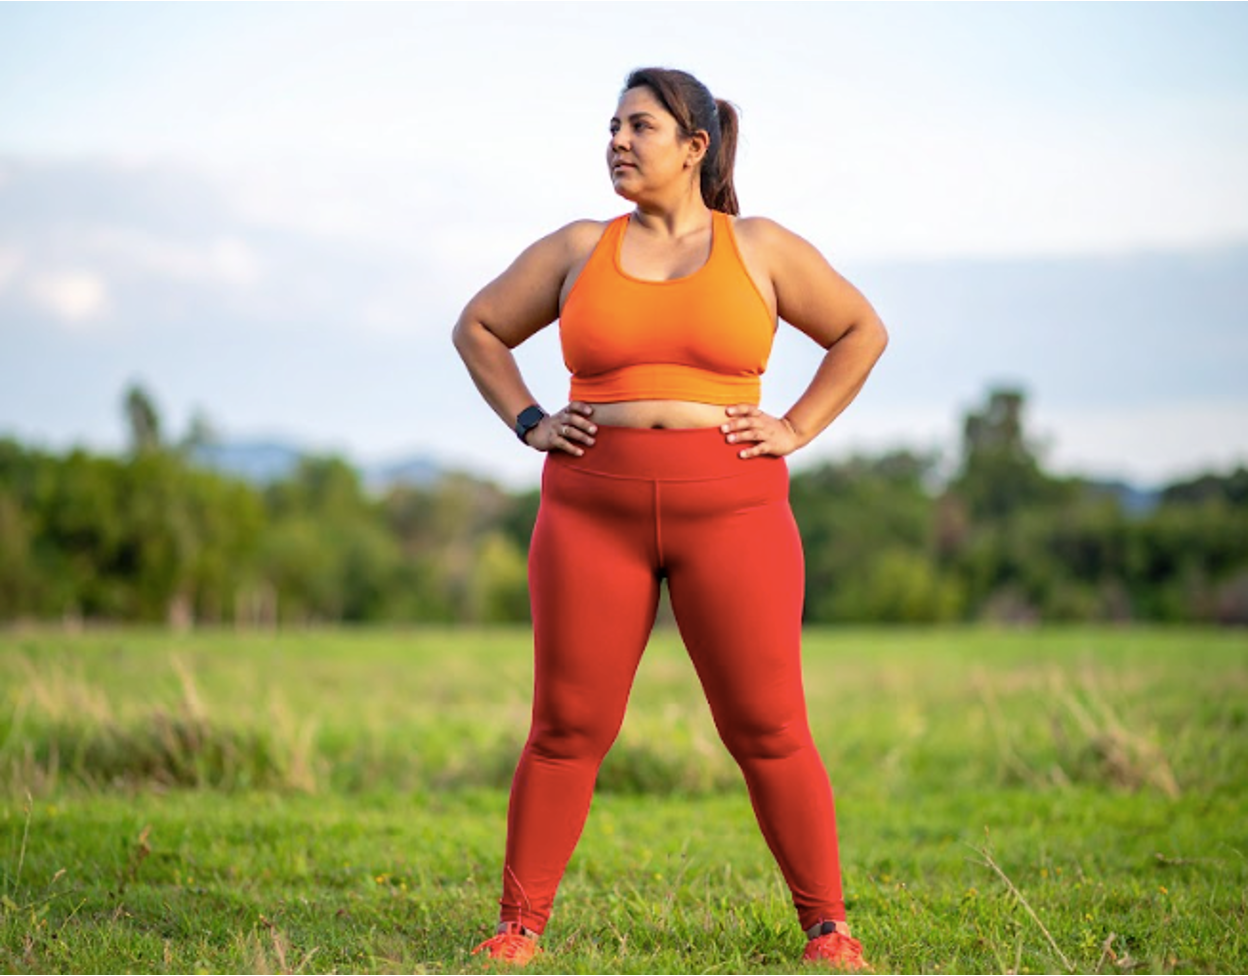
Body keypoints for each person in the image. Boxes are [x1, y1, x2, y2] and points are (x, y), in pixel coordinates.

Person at [451, 66, 888, 970]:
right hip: (587, 515)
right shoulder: (578, 246)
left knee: (768, 727)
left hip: (736, 514)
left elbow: (860, 330)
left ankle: (830, 929)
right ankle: (518, 928)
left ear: (695, 146)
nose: (616, 140)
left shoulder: (759, 247)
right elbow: (479, 328)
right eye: (611, 125)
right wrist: (531, 419)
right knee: (566, 727)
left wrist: (797, 425)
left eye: (638, 126)